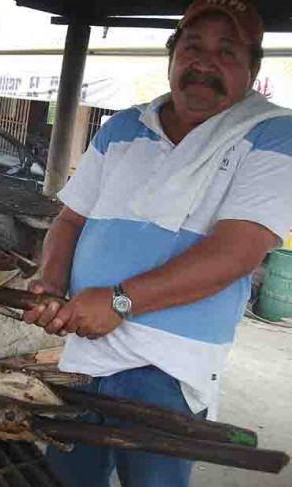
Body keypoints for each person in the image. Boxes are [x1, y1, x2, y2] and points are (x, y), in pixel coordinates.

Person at [23, 1, 292, 486]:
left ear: (252, 69)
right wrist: (50, 279)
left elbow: (238, 252)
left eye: (225, 51)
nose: (204, 63)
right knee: (62, 479)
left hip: (164, 370)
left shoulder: (274, 134)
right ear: (172, 57)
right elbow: (69, 221)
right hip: (84, 355)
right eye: (192, 46)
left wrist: (121, 301)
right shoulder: (124, 125)